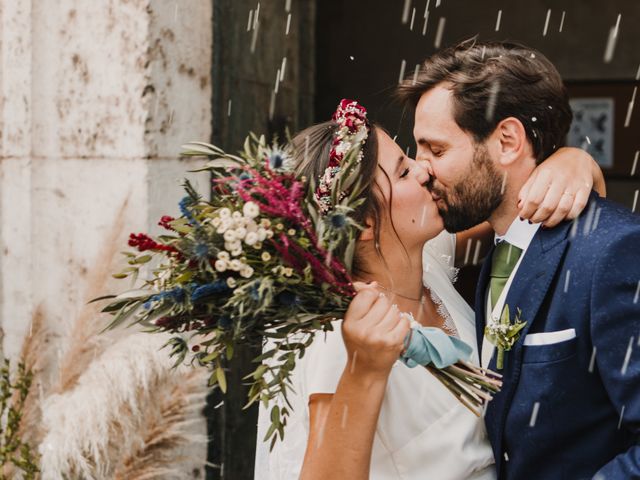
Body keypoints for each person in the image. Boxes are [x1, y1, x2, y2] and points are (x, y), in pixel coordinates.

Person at [255, 97, 605, 479]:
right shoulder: (337, 334)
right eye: (403, 172)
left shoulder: (422, 265)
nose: (423, 171)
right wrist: (365, 370)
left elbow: (526, 204)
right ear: (366, 225)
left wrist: (574, 161)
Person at [397, 39, 640, 479]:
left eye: (436, 149)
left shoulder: (612, 251)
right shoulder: (498, 250)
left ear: (507, 141)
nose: (422, 168)